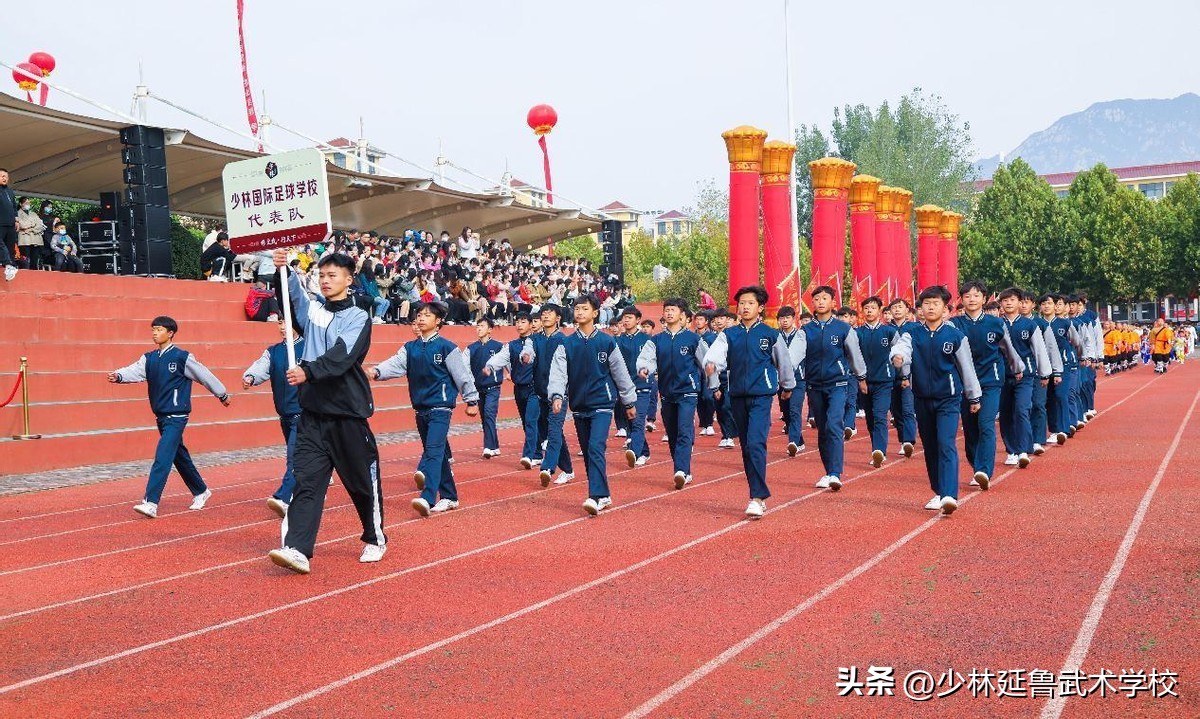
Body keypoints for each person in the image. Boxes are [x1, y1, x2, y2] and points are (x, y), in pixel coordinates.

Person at [266, 249, 386, 575]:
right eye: (322, 275)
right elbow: (294, 303)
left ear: (349, 280)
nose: (326, 280)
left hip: (347, 414)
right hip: (312, 414)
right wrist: (285, 272)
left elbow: (343, 354)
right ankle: (297, 549)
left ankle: (374, 537)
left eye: (333, 275)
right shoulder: (315, 310)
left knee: (362, 484)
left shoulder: (358, 316)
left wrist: (309, 371)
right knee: (307, 483)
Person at [108, 316, 232, 518]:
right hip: (161, 417)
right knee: (179, 456)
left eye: (158, 329)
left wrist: (222, 394)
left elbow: (204, 375)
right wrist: (119, 375)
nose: (154, 333)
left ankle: (151, 502)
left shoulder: (182, 357)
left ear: (170, 333)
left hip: (177, 416)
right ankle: (201, 491)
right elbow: (135, 371)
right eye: (153, 330)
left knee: (163, 457)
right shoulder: (149, 358)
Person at [372, 302, 480, 516]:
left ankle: (428, 497)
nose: (421, 318)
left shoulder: (446, 347)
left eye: (427, 316)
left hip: (441, 408)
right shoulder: (410, 348)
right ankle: (449, 497)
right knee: (436, 454)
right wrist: (377, 371)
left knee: (432, 451)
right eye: (419, 315)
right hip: (420, 409)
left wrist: (472, 400)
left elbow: (462, 375)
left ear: (438, 321)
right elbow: (395, 364)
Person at [703, 286, 796, 518]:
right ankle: (756, 493)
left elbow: (783, 362)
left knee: (755, 443)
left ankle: (757, 496)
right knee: (746, 446)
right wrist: (712, 366)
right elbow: (715, 354)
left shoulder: (769, 334)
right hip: (737, 395)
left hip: (762, 395)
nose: (744, 307)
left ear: (760, 307)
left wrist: (788, 386)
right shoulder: (729, 334)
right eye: (741, 303)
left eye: (750, 303)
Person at [889, 286, 982, 516]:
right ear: (920, 308)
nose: (931, 307)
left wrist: (974, 396)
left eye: (936, 303)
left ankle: (950, 494)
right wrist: (898, 357)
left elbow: (966, 368)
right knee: (930, 447)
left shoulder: (955, 336)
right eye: (927, 303)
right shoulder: (913, 334)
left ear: (945, 309)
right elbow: (902, 348)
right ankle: (939, 491)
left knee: (945, 442)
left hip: (948, 400)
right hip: (921, 398)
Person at [547, 295, 639, 515]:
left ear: (595, 313)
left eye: (584, 309)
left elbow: (620, 373)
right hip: (579, 405)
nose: (579, 312)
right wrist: (557, 396)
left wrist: (629, 401)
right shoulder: (566, 343)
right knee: (589, 452)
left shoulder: (607, 342)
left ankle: (595, 495)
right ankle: (604, 494)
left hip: (603, 403)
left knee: (596, 447)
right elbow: (558, 373)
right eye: (576, 309)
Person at [949, 281, 1024, 489]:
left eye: (976, 296)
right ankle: (976, 465)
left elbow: (1009, 349)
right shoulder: (954, 325)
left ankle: (984, 469)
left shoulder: (995, 324)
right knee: (971, 428)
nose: (971, 299)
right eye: (967, 296)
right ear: (961, 300)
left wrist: (1017, 368)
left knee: (986, 424)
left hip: (991, 380)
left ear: (984, 299)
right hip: (964, 382)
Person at [803, 285, 868, 491]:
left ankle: (835, 473)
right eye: (817, 299)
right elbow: (794, 355)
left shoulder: (843, 329)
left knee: (833, 425)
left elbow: (854, 355)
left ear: (833, 303)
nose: (820, 302)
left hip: (838, 383)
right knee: (823, 429)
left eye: (825, 298)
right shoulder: (806, 330)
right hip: (814, 385)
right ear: (812, 303)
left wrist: (861, 376)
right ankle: (828, 470)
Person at [641, 299, 709, 488]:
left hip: (688, 391)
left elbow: (706, 362)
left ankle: (680, 470)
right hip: (667, 392)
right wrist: (645, 368)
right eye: (667, 310)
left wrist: (713, 384)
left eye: (673, 310)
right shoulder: (657, 340)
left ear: (682, 314)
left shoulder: (693, 339)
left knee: (684, 430)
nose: (669, 313)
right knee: (672, 432)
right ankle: (684, 470)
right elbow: (646, 359)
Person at [242, 318, 306, 518]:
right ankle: (318, 478)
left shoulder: (308, 348)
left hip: (305, 414)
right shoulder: (274, 351)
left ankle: (283, 498)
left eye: (286, 322)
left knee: (294, 458)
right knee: (301, 459)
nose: (282, 327)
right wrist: (250, 377)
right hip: (285, 414)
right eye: (279, 323)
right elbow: (261, 366)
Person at [997, 288, 1055, 469]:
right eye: (1005, 300)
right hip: (1002, 375)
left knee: (1022, 409)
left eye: (1012, 300)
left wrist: (1045, 373)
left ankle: (1023, 450)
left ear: (1020, 302)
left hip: (1027, 376)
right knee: (1006, 413)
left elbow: (1039, 350)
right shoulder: (996, 324)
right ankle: (1012, 450)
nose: (1009, 303)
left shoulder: (1030, 325)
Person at [484, 311, 539, 467]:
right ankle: (537, 452)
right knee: (526, 422)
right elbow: (502, 358)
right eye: (517, 322)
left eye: (523, 322)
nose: (519, 325)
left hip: (535, 388)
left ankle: (528, 455)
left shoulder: (536, 342)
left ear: (530, 324)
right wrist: (490, 366)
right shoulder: (512, 345)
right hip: (519, 388)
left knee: (530, 421)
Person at [533, 304, 575, 486]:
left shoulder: (564, 341)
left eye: (550, 313)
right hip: (540, 393)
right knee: (549, 432)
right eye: (543, 313)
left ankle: (548, 467)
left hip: (559, 394)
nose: (545, 316)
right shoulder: (534, 339)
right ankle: (568, 470)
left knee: (554, 430)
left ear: (558, 318)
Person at [854, 297, 899, 468]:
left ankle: (879, 450)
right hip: (864, 382)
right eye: (866, 308)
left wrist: (902, 376)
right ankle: (877, 450)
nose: (869, 311)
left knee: (880, 415)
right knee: (871, 418)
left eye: (873, 308)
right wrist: (860, 378)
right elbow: (853, 357)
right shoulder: (858, 333)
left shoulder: (889, 332)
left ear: (880, 310)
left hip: (884, 381)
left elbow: (899, 353)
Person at [613, 307, 655, 468]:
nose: (626, 320)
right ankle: (644, 452)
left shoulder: (647, 340)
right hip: (625, 388)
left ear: (638, 320)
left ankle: (635, 451)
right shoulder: (617, 341)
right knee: (631, 422)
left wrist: (649, 372)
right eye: (624, 318)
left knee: (637, 421)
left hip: (642, 386)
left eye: (629, 317)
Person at [886, 299, 920, 458]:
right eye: (894, 307)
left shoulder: (915, 328)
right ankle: (902, 439)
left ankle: (909, 440)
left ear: (908, 310)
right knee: (895, 410)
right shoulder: (886, 329)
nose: (897, 310)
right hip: (889, 376)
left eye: (900, 307)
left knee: (908, 409)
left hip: (910, 376)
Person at [467, 318, 504, 458]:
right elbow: (465, 367)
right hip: (478, 388)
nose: (479, 329)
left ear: (490, 329)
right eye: (477, 326)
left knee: (489, 413)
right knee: (485, 417)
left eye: (482, 326)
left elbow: (506, 361)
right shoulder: (471, 348)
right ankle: (495, 446)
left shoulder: (499, 346)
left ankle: (488, 446)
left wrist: (511, 374)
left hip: (493, 387)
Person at [775, 306, 807, 456]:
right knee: (786, 412)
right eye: (782, 318)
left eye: (787, 318)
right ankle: (799, 440)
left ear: (793, 319)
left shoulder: (801, 335)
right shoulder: (775, 337)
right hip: (781, 381)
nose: (785, 321)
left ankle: (792, 441)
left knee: (795, 410)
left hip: (798, 380)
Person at [835, 305, 861, 440]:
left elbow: (858, 355)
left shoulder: (855, 333)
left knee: (851, 400)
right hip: (837, 375)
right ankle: (848, 425)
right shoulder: (833, 333)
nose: (843, 319)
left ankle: (849, 426)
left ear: (851, 318)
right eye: (840, 316)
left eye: (845, 316)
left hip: (852, 374)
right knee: (841, 402)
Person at [639, 318, 660, 432]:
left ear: (652, 329)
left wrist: (657, 372)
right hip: (640, 374)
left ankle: (651, 420)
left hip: (653, 374)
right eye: (644, 327)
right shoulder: (639, 340)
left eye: (647, 327)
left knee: (652, 396)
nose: (645, 329)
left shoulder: (655, 341)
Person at [0, 169, 19, 280]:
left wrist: (16, 221)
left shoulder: (10, 191)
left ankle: (10, 268)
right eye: (2, 176)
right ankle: (7, 264)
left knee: (10, 247)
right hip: (0, 223)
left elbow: (14, 207)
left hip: (11, 224)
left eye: (6, 176)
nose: (4, 178)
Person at [16, 197, 45, 268]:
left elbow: (40, 225)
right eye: (26, 203)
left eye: (29, 203)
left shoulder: (33, 214)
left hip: (36, 240)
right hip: (24, 240)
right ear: (21, 204)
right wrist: (33, 225)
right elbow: (22, 225)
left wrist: (31, 229)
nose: (28, 204)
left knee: (34, 261)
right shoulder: (17, 213)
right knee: (25, 261)